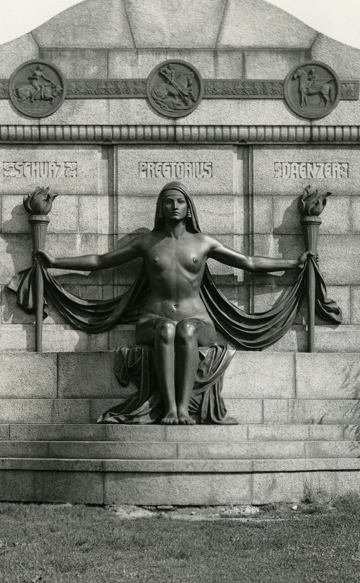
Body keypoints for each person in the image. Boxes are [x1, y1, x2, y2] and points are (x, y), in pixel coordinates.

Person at [36, 182, 314, 425]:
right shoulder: (147, 242)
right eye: (168, 201)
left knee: (186, 330)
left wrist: (293, 262)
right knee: (167, 329)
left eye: (180, 201)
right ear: (160, 207)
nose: (174, 206)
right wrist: (55, 262)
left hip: (199, 321)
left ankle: (183, 408)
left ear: (189, 207)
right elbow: (100, 261)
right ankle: (170, 408)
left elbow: (249, 262)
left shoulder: (203, 242)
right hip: (153, 320)